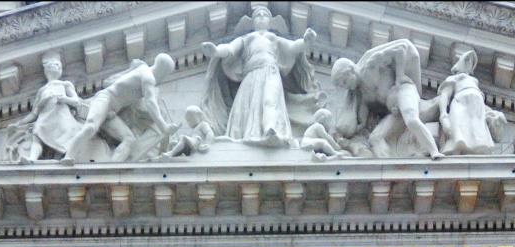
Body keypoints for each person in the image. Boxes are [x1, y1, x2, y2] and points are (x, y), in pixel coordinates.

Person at [200, 4, 318, 146]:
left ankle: (270, 129)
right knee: (246, 108)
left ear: (269, 21)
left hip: (271, 73)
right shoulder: (247, 38)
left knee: (270, 100)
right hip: (251, 75)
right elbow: (230, 49)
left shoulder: (273, 38)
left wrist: (306, 42)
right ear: (253, 21)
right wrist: (216, 51)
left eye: (265, 15)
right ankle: (249, 133)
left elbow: (292, 47)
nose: (261, 17)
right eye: (258, 15)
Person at [331, 38, 443, 159]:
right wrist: (344, 136)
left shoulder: (370, 64)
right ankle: (388, 169)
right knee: (375, 138)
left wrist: (399, 77)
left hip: (402, 91)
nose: (346, 86)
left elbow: (401, 49)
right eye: (342, 85)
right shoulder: (361, 95)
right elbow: (362, 121)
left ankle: (434, 151)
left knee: (411, 120)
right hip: (395, 111)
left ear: (351, 70)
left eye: (344, 81)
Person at [62, 53, 177, 164]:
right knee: (91, 127)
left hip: (112, 112)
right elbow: (151, 103)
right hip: (105, 100)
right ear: (163, 70)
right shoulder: (148, 77)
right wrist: (164, 127)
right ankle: (69, 155)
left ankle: (111, 169)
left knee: (129, 140)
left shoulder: (143, 70)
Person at [7, 53, 87, 163]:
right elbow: (34, 114)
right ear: (46, 70)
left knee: (67, 135)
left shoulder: (65, 85)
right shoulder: (42, 90)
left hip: (62, 118)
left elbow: (76, 102)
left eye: (58, 65)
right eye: (51, 65)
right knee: (37, 134)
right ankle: (32, 159)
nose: (55, 67)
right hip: (45, 118)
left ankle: (67, 157)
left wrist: (64, 99)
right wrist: (19, 123)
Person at [435, 47, 498, 155]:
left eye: (471, 62)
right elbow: (444, 96)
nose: (469, 63)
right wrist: (443, 115)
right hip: (461, 105)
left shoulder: (474, 81)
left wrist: (492, 113)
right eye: (467, 60)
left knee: (477, 134)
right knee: (459, 132)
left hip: (476, 110)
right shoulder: (454, 78)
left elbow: (481, 103)